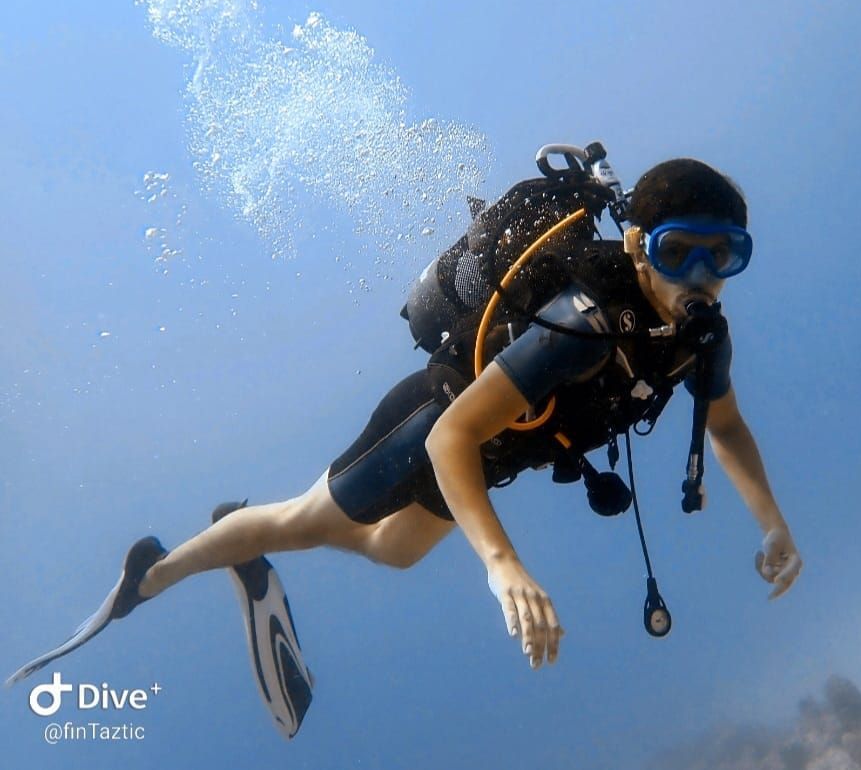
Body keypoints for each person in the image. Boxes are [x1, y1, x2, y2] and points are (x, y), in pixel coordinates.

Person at [8, 154, 801, 724]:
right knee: (306, 522)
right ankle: (147, 578)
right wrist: (503, 566)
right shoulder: (580, 327)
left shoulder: (697, 340)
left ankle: (239, 547)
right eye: (678, 252)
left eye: (722, 256)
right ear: (638, 247)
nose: (700, 275)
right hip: (429, 426)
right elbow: (454, 434)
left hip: (493, 456)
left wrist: (772, 522)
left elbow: (725, 426)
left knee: (393, 551)